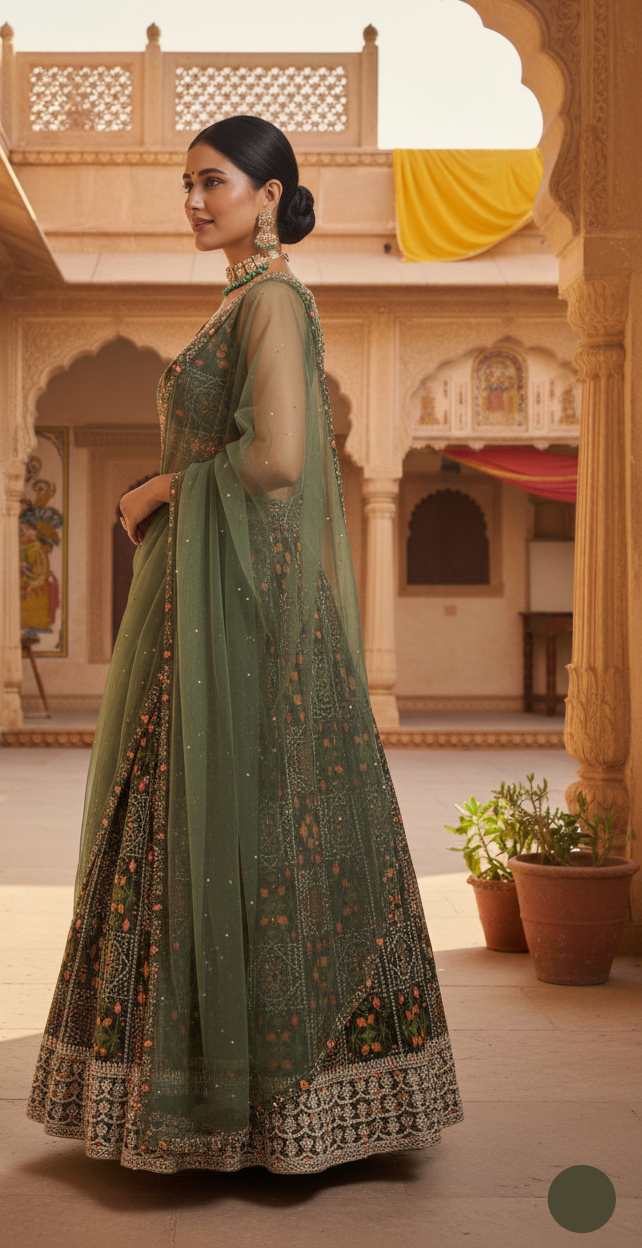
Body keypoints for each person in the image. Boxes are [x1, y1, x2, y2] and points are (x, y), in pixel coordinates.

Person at [27, 114, 464, 1174]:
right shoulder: (242, 299)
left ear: (271, 195)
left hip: (233, 610)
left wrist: (163, 486)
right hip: (201, 605)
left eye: (213, 183)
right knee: (194, 824)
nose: (193, 200)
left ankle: (258, 1107)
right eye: (185, 184)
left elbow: (274, 459)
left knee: (241, 827)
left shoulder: (271, 299)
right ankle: (223, 1101)